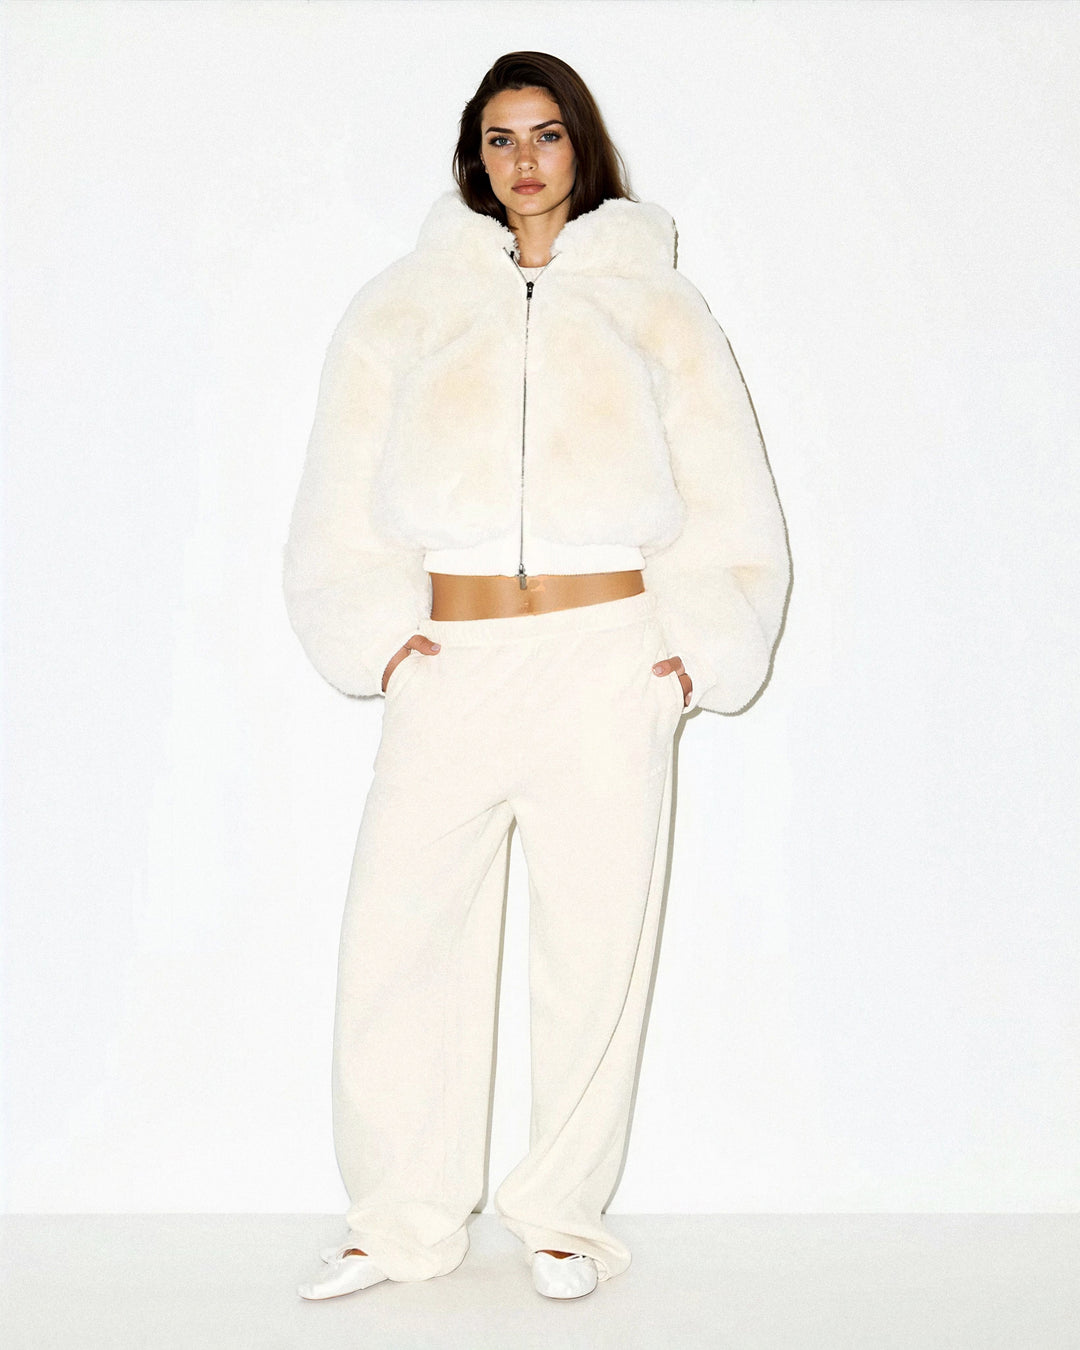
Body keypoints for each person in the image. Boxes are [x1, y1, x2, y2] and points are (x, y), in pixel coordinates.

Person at [283, 50, 791, 1303]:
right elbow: (338, 492)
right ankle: (399, 1222)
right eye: (502, 138)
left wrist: (694, 655)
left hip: (606, 659)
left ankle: (562, 1216)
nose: (525, 160)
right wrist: (377, 640)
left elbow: (728, 490)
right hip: (451, 666)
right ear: (475, 155)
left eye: (547, 134)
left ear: (581, 147)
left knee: (595, 950)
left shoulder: (657, 306)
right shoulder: (404, 305)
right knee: (398, 944)